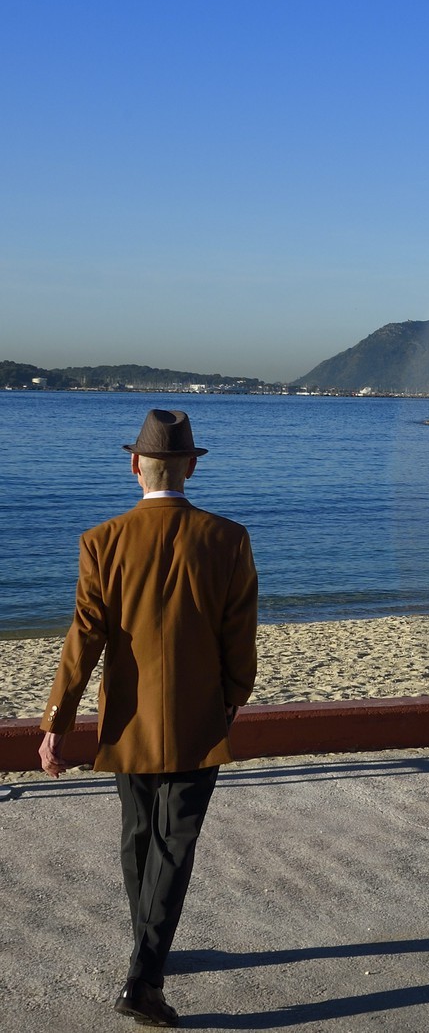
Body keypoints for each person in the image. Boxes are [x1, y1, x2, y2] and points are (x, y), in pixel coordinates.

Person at [38, 409, 257, 1028]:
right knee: (175, 843)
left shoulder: (101, 540)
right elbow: (239, 635)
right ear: (189, 465)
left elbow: (85, 637)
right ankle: (145, 977)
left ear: (135, 464)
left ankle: (148, 945)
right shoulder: (227, 537)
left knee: (139, 834)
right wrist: (234, 695)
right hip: (197, 713)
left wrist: (58, 719)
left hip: (127, 715)